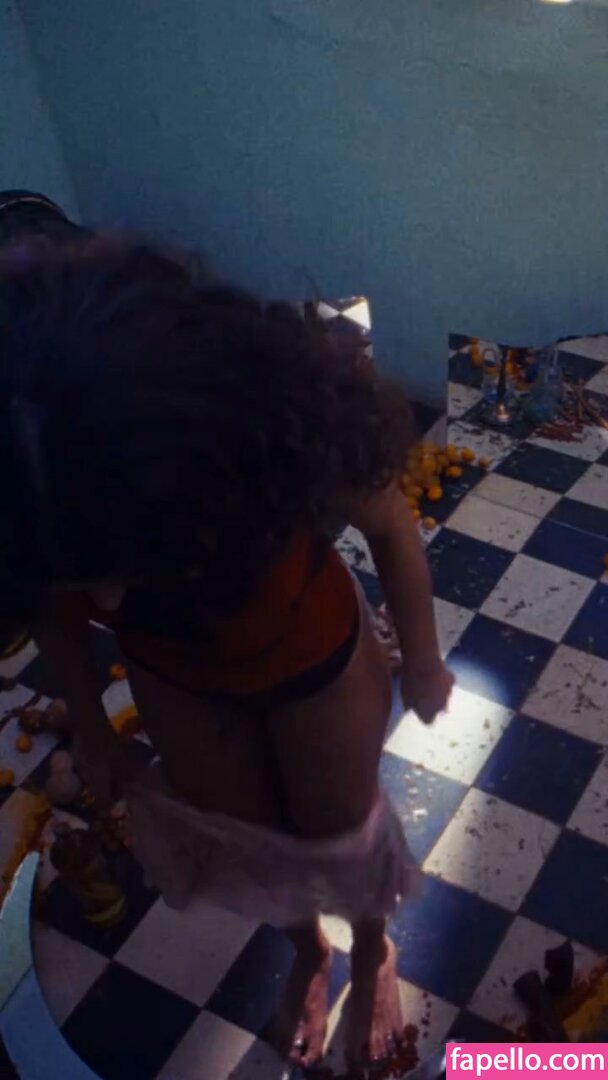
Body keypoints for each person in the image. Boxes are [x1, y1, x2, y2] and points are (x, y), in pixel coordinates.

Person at [0, 234, 453, 1070]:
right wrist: (93, 731)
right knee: (248, 842)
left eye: (126, 565)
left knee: (342, 835)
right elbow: (56, 614)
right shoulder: (41, 483)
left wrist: (421, 660)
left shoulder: (270, 429)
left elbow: (392, 527)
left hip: (310, 658)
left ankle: (371, 948)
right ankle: (308, 949)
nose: (107, 601)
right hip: (179, 679)